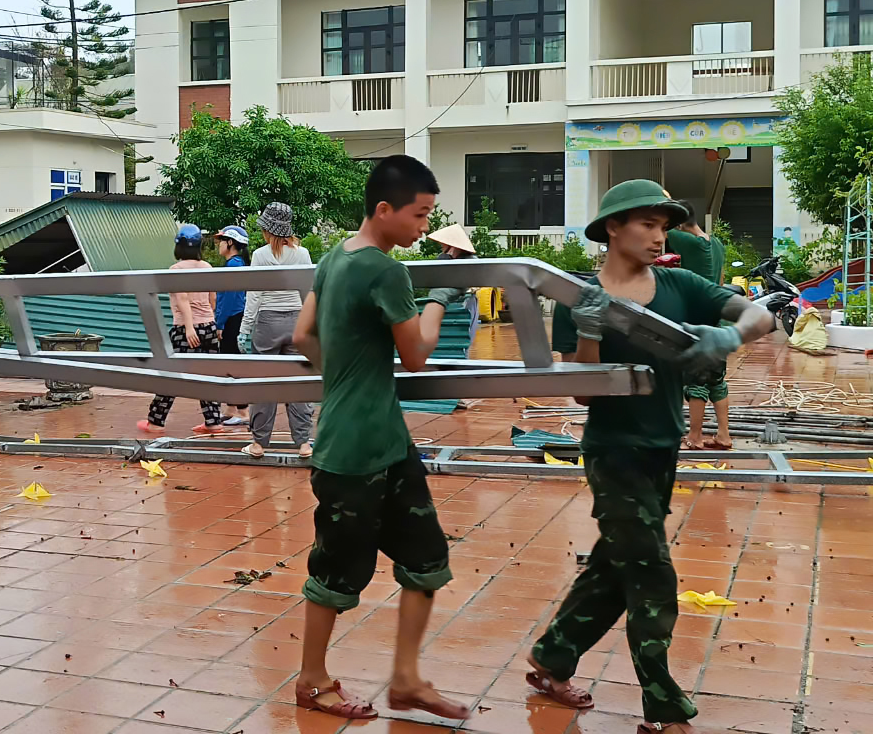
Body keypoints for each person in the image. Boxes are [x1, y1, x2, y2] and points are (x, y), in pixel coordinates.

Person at [526, 179, 773, 734]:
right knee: (652, 574)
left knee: (618, 563)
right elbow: (583, 392)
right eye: (646, 223)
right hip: (613, 451)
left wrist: (728, 337)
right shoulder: (579, 296)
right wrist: (589, 332)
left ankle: (552, 657)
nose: (657, 234)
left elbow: (763, 316)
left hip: (664, 446)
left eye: (662, 224)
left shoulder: (680, 284)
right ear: (613, 228)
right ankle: (662, 709)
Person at [291, 156, 469, 722]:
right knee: (336, 573)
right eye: (419, 215)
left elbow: (303, 336)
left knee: (426, 560)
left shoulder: (333, 257)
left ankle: (407, 680)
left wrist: (345, 376)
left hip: (381, 441)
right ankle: (312, 679)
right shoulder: (386, 272)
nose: (424, 228)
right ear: (384, 209)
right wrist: (439, 294)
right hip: (353, 455)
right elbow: (417, 355)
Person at [239, 203, 314, 458]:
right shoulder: (302, 254)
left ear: (267, 229)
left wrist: (244, 328)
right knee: (297, 382)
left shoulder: (260, 255)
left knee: (265, 382)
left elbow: (254, 295)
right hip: (296, 321)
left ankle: (259, 443)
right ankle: (303, 443)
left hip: (268, 323)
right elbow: (308, 293)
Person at [138, 225, 225, 435]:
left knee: (170, 375)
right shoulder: (207, 267)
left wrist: (189, 327)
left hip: (185, 329)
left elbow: (182, 298)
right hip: (209, 326)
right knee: (208, 375)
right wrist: (208, 321)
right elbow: (213, 297)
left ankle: (156, 421)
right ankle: (213, 422)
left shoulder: (176, 270)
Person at [666, 206, 731, 450]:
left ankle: (695, 437)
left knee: (696, 381)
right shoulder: (717, 244)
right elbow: (722, 280)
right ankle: (723, 435)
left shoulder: (691, 242)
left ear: (681, 225)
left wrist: (666, 201)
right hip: (717, 319)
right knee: (717, 379)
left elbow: (661, 227)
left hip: (698, 323)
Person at [213, 225, 250, 424]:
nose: (219, 244)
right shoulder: (237, 264)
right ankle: (231, 408)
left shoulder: (234, 266)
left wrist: (220, 323)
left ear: (230, 243)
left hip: (231, 319)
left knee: (232, 364)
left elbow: (227, 300)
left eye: (221, 240)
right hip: (235, 318)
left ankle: (243, 412)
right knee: (229, 364)